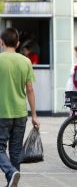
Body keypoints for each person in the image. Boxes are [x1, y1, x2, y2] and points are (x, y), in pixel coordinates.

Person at [0, 28, 40, 186]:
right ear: (17, 43)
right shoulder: (26, 61)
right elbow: (30, 90)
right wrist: (35, 115)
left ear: (1, 42)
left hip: (2, 113)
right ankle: (13, 182)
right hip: (20, 113)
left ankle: (11, 172)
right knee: (15, 152)